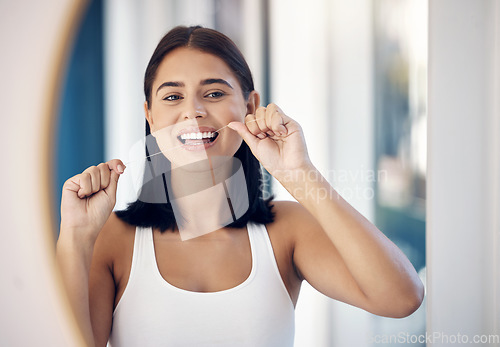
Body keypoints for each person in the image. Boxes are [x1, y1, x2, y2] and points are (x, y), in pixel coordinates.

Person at [56, 25, 424, 347]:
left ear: (250, 105)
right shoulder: (112, 240)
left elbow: (401, 297)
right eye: (172, 97)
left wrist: (299, 174)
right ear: (149, 116)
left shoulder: (286, 231)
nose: (193, 111)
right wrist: (74, 238)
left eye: (214, 93)